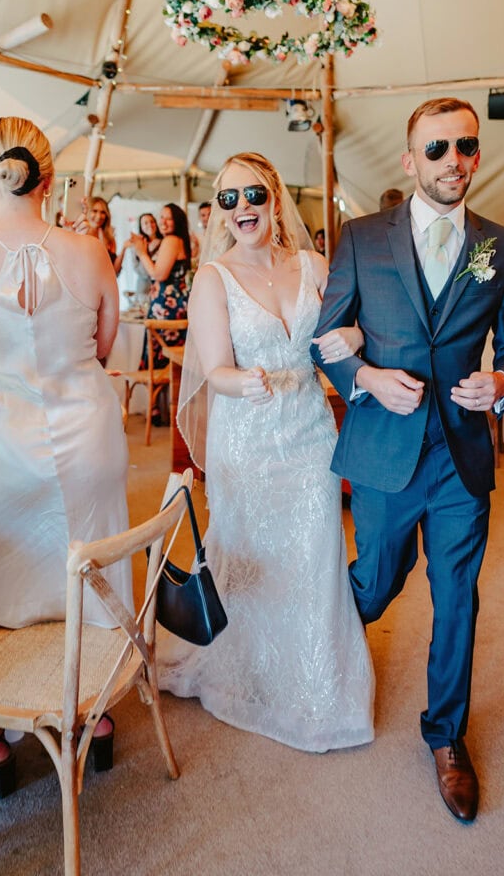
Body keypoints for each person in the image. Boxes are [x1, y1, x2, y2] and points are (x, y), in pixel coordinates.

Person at [311, 97, 504, 822]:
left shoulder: (499, 244)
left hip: (460, 457)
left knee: (457, 597)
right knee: (375, 584)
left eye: (465, 146)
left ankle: (446, 736)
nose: (454, 162)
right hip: (383, 451)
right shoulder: (362, 236)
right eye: (436, 150)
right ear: (410, 162)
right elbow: (327, 334)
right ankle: (319, 646)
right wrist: (365, 378)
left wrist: (501, 382)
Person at [157, 151, 374, 753]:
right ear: (218, 211)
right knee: (249, 560)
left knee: (314, 556)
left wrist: (353, 334)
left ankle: (317, 687)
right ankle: (242, 674)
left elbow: (348, 332)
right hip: (246, 440)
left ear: (274, 198)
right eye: (228, 198)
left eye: (253, 194)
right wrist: (241, 381)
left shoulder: (311, 264)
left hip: (308, 433)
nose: (242, 207)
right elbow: (212, 370)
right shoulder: (212, 278)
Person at [0, 117, 132, 795]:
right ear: (49, 179)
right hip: (87, 438)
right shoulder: (90, 251)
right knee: (91, 569)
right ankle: (96, 715)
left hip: (2, 447)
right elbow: (106, 343)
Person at [129, 202, 191, 374]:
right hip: (170, 303)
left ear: (177, 222)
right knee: (167, 363)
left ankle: (159, 399)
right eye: (162, 217)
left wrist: (141, 252)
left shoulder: (171, 240)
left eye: (168, 219)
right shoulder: (177, 240)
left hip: (167, 306)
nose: (163, 222)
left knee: (163, 360)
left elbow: (159, 274)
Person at [87, 196, 119, 270]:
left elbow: (114, 269)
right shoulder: (80, 234)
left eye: (103, 212)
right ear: (87, 212)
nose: (99, 216)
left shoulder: (110, 238)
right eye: (94, 211)